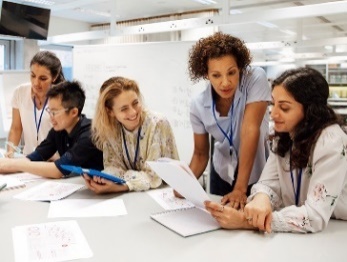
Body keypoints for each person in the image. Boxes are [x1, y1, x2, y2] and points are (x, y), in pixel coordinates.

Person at [204, 67, 347, 233]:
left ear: (310, 110)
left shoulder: (331, 142)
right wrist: (261, 198)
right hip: (297, 228)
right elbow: (267, 183)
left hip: (336, 230)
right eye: (273, 104)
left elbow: (314, 216)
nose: (273, 115)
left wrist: (246, 221)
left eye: (284, 108)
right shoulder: (284, 135)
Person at [185, 32, 271, 209]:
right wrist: (184, 185)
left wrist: (240, 188)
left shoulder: (255, 79)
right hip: (222, 172)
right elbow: (200, 154)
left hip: (256, 171)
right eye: (216, 75)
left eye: (231, 72)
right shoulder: (198, 105)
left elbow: (250, 129)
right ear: (206, 74)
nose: (225, 83)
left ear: (240, 67)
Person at [83, 76, 179, 194]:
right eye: (124, 109)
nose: (133, 112)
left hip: (162, 194)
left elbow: (153, 176)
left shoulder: (157, 123)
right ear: (110, 112)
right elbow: (113, 167)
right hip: (131, 195)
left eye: (135, 103)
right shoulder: (110, 128)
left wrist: (121, 186)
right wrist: (102, 178)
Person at [0, 81, 103, 178]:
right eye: (49, 111)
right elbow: (35, 157)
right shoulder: (58, 130)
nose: (50, 117)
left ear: (73, 112)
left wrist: (17, 165)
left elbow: (58, 170)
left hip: (101, 191)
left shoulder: (90, 134)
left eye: (54, 112)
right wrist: (8, 163)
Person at [5, 51, 65, 157]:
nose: (36, 83)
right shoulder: (20, 92)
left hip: (53, 160)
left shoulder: (62, 98)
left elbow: (66, 135)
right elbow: (16, 128)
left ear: (54, 77)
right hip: (28, 159)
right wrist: (11, 151)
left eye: (43, 78)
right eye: (33, 76)